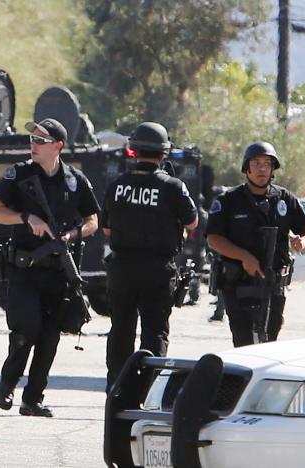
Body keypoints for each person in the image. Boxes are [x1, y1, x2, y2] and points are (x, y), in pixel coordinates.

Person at [0, 118, 100, 417]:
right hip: (25, 267)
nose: (33, 144)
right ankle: (8, 384)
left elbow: (93, 221)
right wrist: (26, 218)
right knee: (26, 328)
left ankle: (33, 398)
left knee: (50, 336)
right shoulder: (19, 175)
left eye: (40, 140)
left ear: (58, 146)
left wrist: (73, 235)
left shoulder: (75, 181)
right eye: (32, 139)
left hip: (58, 270)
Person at [102, 122, 198, 391]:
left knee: (121, 329)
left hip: (121, 268)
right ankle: (146, 390)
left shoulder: (117, 186)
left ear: (133, 151)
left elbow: (107, 227)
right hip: (157, 269)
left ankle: (116, 387)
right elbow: (192, 223)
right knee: (155, 332)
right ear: (163, 154)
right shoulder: (173, 187)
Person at [205, 142, 305, 347]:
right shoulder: (229, 200)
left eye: (267, 163)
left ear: (273, 168)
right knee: (243, 340)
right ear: (247, 167)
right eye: (256, 163)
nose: (262, 168)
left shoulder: (284, 199)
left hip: (273, 284)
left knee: (270, 341)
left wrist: (301, 242)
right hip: (239, 283)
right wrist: (244, 257)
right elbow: (214, 238)